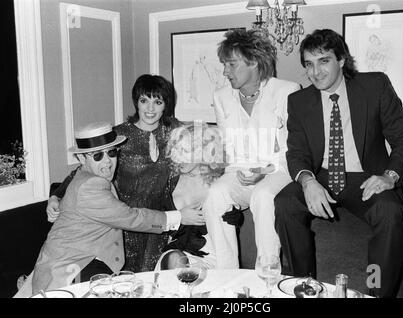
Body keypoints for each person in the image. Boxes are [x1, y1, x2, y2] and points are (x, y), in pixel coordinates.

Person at [274, 29, 403, 298]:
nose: (315, 72)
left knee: (389, 212)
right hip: (323, 175)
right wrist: (308, 181)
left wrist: (390, 176)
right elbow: (296, 152)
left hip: (366, 176)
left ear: (341, 60)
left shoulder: (374, 86)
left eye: (323, 61)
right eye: (309, 64)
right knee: (285, 203)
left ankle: (377, 291)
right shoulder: (299, 101)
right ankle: (303, 285)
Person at [17, 122, 204, 296]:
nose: (107, 161)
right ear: (81, 158)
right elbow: (130, 217)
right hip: (66, 273)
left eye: (111, 153)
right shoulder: (91, 185)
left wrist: (55, 196)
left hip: (85, 262)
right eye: (98, 155)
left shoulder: (89, 175)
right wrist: (179, 217)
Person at [46, 74, 183, 272]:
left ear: (165, 105)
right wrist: (56, 195)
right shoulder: (120, 136)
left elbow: (197, 158)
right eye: (144, 101)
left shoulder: (173, 134)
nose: (150, 109)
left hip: (158, 220)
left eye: (157, 101)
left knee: (153, 281)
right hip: (123, 221)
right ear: (137, 103)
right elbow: (83, 170)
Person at [201, 29, 300, 269]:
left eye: (231, 64)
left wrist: (263, 171)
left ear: (254, 62)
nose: (225, 72)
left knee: (263, 196)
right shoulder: (222, 96)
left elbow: (292, 148)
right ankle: (225, 274)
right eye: (224, 65)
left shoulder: (287, 91)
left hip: (277, 169)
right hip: (240, 169)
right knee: (215, 194)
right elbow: (229, 147)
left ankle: (267, 274)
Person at [154, 122, 228, 270]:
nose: (178, 158)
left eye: (185, 152)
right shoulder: (169, 182)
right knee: (174, 258)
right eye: (176, 150)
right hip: (174, 256)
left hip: (213, 257)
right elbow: (153, 222)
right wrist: (178, 216)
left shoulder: (219, 184)